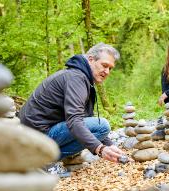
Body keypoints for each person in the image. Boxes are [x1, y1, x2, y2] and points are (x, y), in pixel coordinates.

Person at [20, 43, 129, 175]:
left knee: (98, 128)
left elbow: (86, 117)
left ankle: (39, 161)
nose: (107, 72)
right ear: (90, 59)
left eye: (110, 68)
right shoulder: (76, 78)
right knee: (103, 126)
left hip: (34, 135)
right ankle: (41, 161)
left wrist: (110, 145)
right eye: (104, 65)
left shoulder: (79, 77)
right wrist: (99, 149)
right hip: (35, 137)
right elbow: (75, 120)